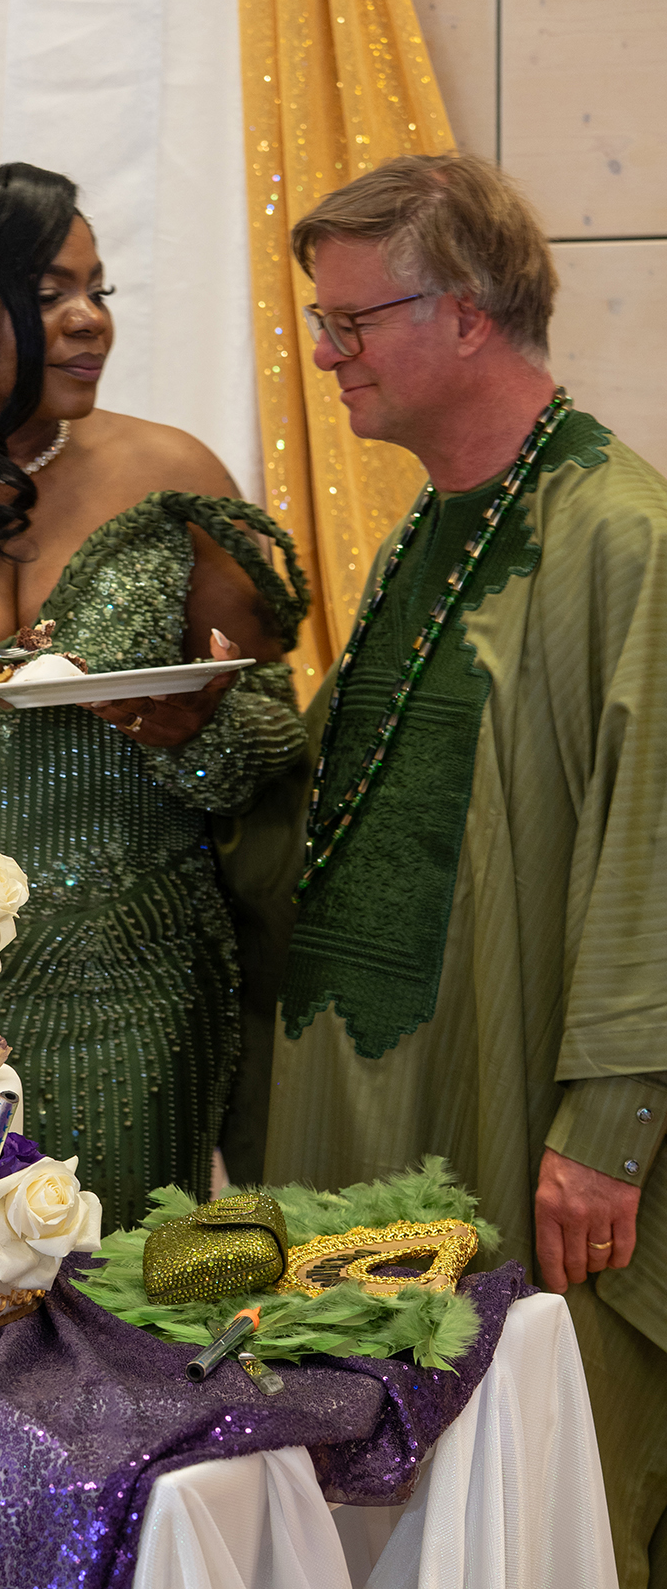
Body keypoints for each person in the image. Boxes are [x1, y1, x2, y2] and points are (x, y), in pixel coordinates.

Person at [264, 152, 667, 1587]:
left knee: (537, 1505)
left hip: (526, 1133)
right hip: (367, 1115)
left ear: (469, 315)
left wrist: (611, 1121)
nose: (327, 353)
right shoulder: (421, 539)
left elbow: (654, 835)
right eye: (323, 322)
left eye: (352, 321)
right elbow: (335, 803)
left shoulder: (623, 533)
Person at [0, 162, 309, 1234]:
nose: (90, 319)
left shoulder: (171, 473)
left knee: (121, 1293)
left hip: (135, 982)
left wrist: (194, 728)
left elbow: (272, 732)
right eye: (50, 295)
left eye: (99, 290)